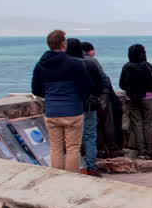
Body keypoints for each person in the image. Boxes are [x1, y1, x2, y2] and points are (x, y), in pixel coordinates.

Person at [31, 29, 91, 172]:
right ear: (64, 43)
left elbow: (36, 89)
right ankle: (72, 178)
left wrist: (51, 97)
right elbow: (86, 87)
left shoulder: (41, 65)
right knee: (72, 148)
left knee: (56, 148)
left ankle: (57, 178)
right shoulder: (74, 63)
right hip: (73, 110)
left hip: (52, 111)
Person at [68, 39, 105, 176]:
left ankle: (76, 167)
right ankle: (91, 167)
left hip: (71, 105)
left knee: (71, 139)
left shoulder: (66, 65)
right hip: (89, 105)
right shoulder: (90, 63)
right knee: (90, 136)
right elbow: (100, 84)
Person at [119, 43, 152, 159]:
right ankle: (149, 151)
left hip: (132, 98)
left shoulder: (127, 67)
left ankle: (141, 152)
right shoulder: (147, 66)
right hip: (148, 98)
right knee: (148, 124)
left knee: (137, 124)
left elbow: (122, 84)